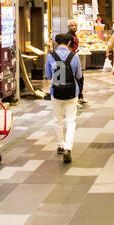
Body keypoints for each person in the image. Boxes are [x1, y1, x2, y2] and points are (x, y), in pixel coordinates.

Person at [44, 31, 83, 163]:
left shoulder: (50, 56)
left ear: (56, 42)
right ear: (68, 43)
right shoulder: (74, 56)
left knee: (57, 119)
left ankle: (60, 144)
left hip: (56, 92)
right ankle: (68, 147)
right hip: (71, 92)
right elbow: (78, 75)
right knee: (71, 120)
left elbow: (48, 76)